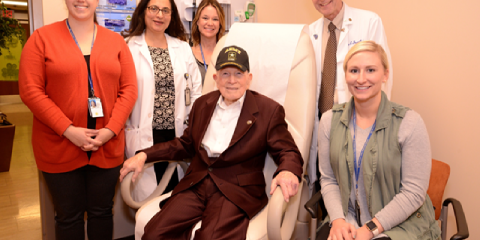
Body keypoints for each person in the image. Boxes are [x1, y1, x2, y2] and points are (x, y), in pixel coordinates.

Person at [120, 45, 304, 240]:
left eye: (238, 74)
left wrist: (288, 170)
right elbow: (185, 144)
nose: (232, 81)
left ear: (249, 79)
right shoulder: (202, 105)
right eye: (225, 73)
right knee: (154, 234)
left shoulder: (268, 110)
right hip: (197, 183)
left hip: (236, 190)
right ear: (216, 78)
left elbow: (288, 151)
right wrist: (145, 154)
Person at [18, 0, 138, 239]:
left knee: (102, 212)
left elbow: (129, 89)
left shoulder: (116, 42)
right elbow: (31, 90)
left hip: (107, 146)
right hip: (58, 145)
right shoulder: (41, 38)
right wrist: (68, 130)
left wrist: (110, 130)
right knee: (68, 217)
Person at [316, 41, 440, 240]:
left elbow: (413, 193)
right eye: (354, 70)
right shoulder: (329, 121)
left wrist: (369, 229)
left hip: (399, 225)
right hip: (346, 221)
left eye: (371, 70)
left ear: (385, 75)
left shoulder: (409, 123)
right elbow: (329, 179)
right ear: (345, 76)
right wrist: (338, 220)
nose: (361, 79)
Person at [308, 0, 393, 215]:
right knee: (329, 191)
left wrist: (379, 124)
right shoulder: (310, 32)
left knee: (364, 196)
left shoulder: (369, 21)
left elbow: (383, 73)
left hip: (362, 123)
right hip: (324, 125)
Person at [123, 0, 202, 201]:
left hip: (176, 135)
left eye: (165, 10)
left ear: (171, 16)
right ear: (143, 12)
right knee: (147, 201)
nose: (159, 15)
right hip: (145, 133)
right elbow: (121, 94)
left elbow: (196, 93)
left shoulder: (183, 48)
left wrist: (192, 128)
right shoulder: (128, 46)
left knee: (176, 196)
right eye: (154, 9)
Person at [190, 0, 226, 84]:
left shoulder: (226, 54)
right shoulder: (188, 54)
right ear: (197, 21)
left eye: (215, 19)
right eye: (205, 18)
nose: (210, 23)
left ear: (220, 24)